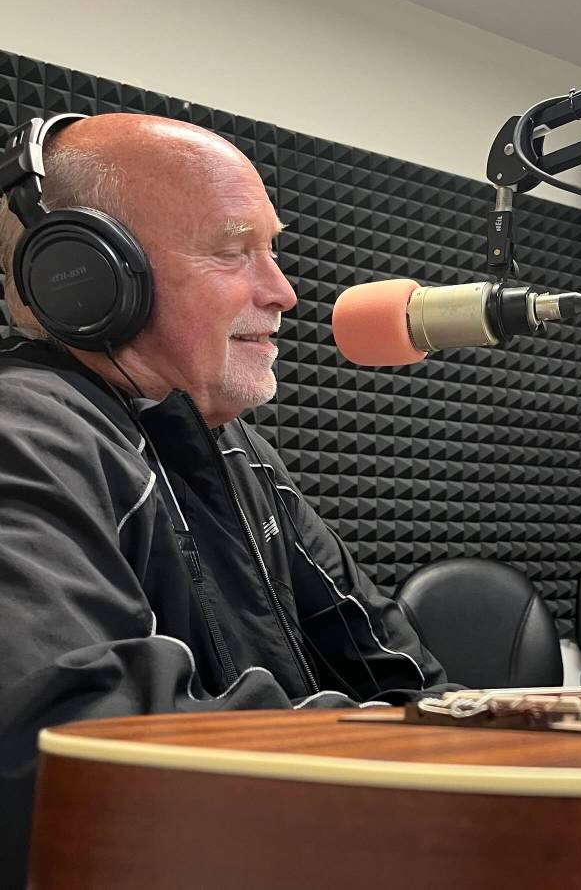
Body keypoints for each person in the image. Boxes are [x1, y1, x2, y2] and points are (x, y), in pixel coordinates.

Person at [0, 113, 453, 880]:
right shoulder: (27, 431)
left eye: (273, 250)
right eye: (233, 250)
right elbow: (74, 756)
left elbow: (400, 668)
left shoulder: (242, 455)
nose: (284, 292)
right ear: (90, 274)